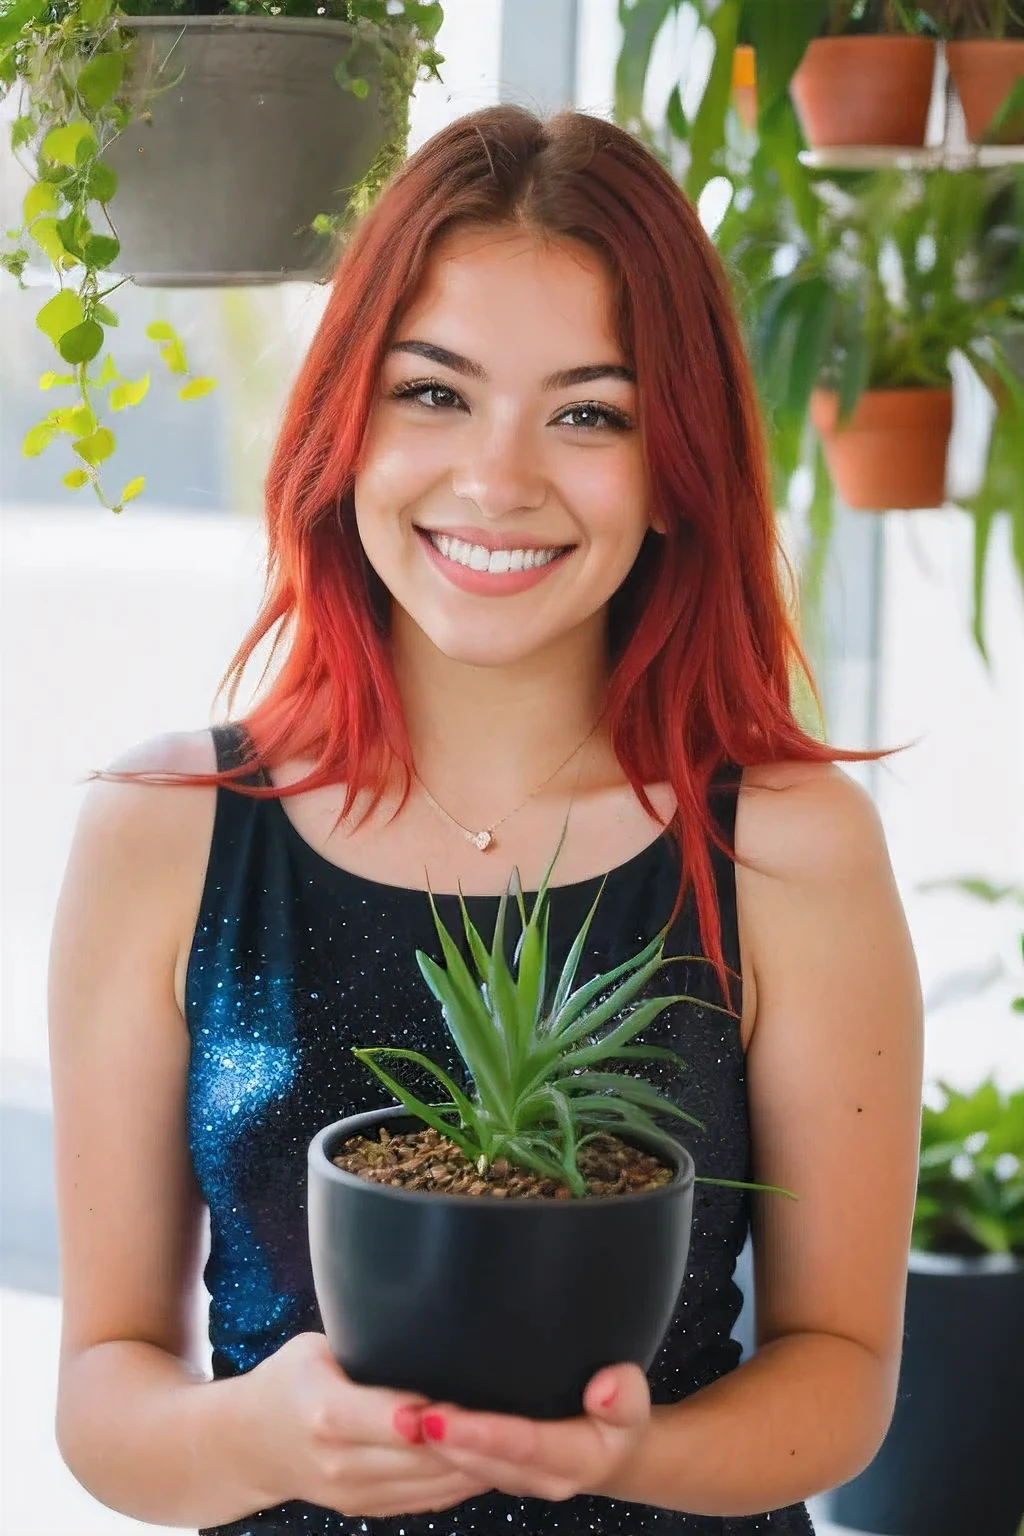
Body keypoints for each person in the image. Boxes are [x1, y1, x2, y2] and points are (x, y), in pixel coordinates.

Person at [47, 104, 924, 1536]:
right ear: (345, 420)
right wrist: (265, 1436)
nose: (498, 479)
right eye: (435, 393)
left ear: (674, 466)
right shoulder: (161, 830)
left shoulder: (789, 840)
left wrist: (621, 1457)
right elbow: (104, 1389)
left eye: (590, 412)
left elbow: (841, 1372)